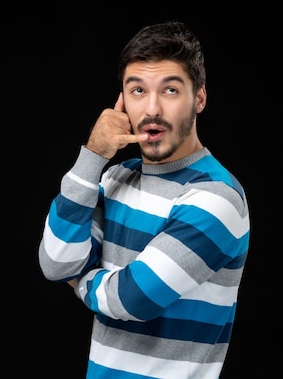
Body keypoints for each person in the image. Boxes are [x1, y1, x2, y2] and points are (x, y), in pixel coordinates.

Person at [38, 20, 250, 379]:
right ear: (121, 101)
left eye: (169, 90)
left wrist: (82, 282)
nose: (152, 109)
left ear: (199, 97)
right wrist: (92, 156)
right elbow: (56, 262)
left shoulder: (217, 198)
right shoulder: (114, 178)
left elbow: (134, 300)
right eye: (137, 91)